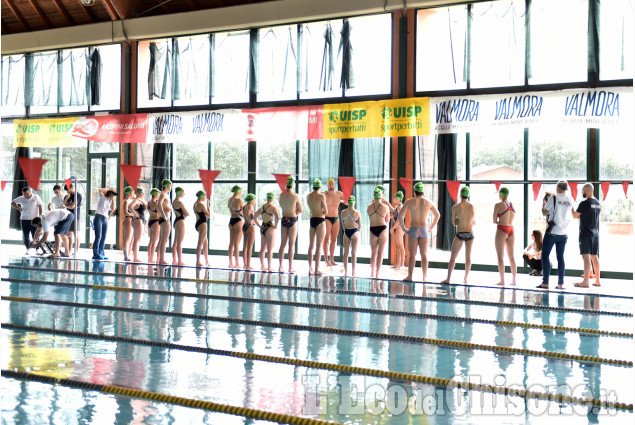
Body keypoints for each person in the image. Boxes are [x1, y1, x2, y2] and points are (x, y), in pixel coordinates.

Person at [398, 182, 440, 282]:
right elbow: (437, 215)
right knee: (424, 254)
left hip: (413, 229)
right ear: (423, 192)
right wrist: (431, 227)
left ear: (414, 191)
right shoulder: (427, 202)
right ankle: (424, 277)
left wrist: (404, 228)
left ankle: (410, 276)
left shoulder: (409, 201)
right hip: (423, 230)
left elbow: (400, 216)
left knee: (412, 254)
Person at [538, 180, 574, 290]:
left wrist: (543, 204)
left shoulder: (552, 199)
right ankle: (560, 284)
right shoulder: (570, 199)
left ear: (557, 187)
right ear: (566, 189)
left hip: (552, 232)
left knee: (545, 256)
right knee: (560, 258)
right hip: (564, 233)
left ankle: (545, 282)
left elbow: (545, 212)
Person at [442, 186, 475, 284]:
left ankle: (448, 279)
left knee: (453, 257)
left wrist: (458, 220)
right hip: (470, 233)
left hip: (460, 233)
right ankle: (466, 278)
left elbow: (454, 223)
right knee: (468, 257)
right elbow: (472, 221)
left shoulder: (455, 207)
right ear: (468, 195)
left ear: (460, 195)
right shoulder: (473, 206)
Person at [572, 183, 601, 288]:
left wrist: (571, 206)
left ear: (587, 191)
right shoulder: (598, 203)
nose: (582, 193)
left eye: (583, 191)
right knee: (594, 257)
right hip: (595, 233)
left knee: (586, 257)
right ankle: (597, 281)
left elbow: (575, 215)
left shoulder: (584, 203)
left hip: (586, 233)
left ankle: (585, 282)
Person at [278, 176, 303, 273]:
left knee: (282, 244)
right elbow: (301, 210)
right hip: (292, 220)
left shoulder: (281, 195)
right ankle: (290, 267)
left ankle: (280, 266)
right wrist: (296, 211)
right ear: (292, 185)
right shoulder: (296, 196)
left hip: (284, 219)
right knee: (291, 245)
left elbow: (281, 205)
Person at [493, 187, 517, 286]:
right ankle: (514, 280)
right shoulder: (512, 205)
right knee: (511, 256)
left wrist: (500, 221)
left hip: (502, 229)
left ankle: (502, 281)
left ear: (501, 195)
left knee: (500, 256)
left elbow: (494, 220)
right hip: (511, 229)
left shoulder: (498, 205)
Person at [367, 187, 391, 278]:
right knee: (380, 252)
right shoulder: (385, 207)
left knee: (373, 253)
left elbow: (370, 217)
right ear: (381, 196)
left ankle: (372, 272)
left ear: (374, 196)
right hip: (382, 229)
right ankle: (378, 273)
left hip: (372, 229)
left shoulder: (369, 207)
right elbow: (387, 220)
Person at [307, 179, 328, 275]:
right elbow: (326, 211)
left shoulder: (309, 196)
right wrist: (322, 212)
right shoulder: (321, 196)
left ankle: (310, 269)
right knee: (319, 246)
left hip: (312, 220)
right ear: (320, 187)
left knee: (311, 246)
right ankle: (316, 269)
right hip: (320, 220)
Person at [254, 192, 279, 271]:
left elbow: (254, 217)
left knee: (262, 249)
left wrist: (259, 226)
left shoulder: (262, 207)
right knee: (270, 249)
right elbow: (277, 217)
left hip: (263, 227)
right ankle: (269, 266)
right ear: (273, 199)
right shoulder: (273, 207)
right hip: (270, 227)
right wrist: (276, 225)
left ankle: (262, 266)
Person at [323, 178, 345, 266]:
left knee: (334, 239)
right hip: (327, 218)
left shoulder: (339, 194)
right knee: (326, 238)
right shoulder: (323, 194)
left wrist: (342, 201)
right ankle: (326, 260)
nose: (331, 185)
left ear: (334, 184)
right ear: (327, 185)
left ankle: (331, 259)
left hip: (336, 218)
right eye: (329, 184)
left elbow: (347, 202)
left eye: (332, 184)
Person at [92, 188, 117, 260]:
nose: (113, 195)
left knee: (103, 237)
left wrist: (113, 199)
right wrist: (110, 189)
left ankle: (101, 253)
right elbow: (100, 189)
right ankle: (96, 253)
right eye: (113, 193)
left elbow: (113, 208)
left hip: (105, 218)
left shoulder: (110, 200)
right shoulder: (103, 197)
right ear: (110, 192)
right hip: (98, 217)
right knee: (98, 236)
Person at [341, 195, 361, 276]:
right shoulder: (357, 212)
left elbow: (343, 224)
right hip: (355, 232)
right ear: (354, 202)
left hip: (346, 232)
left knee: (346, 253)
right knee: (354, 253)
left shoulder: (343, 212)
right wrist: (358, 233)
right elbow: (360, 225)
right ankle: (353, 272)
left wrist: (345, 231)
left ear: (347, 202)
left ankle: (346, 272)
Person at [156, 179, 173, 265]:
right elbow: (158, 205)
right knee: (164, 240)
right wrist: (164, 216)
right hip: (164, 219)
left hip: (163, 219)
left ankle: (159, 259)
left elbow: (161, 205)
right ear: (166, 186)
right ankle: (161, 259)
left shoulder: (165, 194)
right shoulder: (163, 194)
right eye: (170, 185)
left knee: (162, 240)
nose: (171, 187)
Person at [63, 183, 83, 255]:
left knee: (76, 233)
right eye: (66, 191)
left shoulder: (78, 195)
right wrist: (67, 200)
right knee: (69, 233)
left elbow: (72, 206)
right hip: (68, 216)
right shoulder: (67, 196)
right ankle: (70, 250)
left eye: (68, 190)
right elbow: (63, 205)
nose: (67, 192)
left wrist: (67, 205)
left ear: (72, 188)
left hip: (75, 216)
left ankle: (76, 251)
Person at [228, 185, 244, 268]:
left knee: (231, 243)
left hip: (231, 221)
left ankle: (230, 263)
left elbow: (230, 209)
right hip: (238, 221)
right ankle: (237, 263)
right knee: (237, 243)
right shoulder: (239, 200)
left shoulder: (230, 200)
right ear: (239, 192)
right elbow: (243, 211)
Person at [193, 190, 211, 267]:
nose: (205, 198)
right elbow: (208, 214)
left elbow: (202, 215)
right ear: (202, 196)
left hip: (198, 223)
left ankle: (207, 261)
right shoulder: (201, 205)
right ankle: (198, 262)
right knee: (200, 243)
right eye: (205, 196)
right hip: (202, 225)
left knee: (205, 243)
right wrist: (207, 205)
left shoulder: (195, 204)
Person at [172, 187, 189, 266]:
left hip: (176, 221)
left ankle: (174, 260)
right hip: (181, 222)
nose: (184, 194)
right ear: (180, 192)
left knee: (175, 242)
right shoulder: (179, 202)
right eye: (183, 192)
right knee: (179, 243)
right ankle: (180, 261)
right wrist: (184, 215)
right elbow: (187, 213)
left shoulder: (174, 202)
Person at [130, 187, 147, 263]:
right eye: (142, 192)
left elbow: (147, 206)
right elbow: (129, 207)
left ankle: (136, 256)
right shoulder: (136, 200)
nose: (143, 194)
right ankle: (135, 257)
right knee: (137, 239)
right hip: (137, 220)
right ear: (139, 193)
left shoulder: (140, 201)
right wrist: (136, 215)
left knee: (138, 239)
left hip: (140, 220)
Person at [390, 191, 405, 270]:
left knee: (400, 246)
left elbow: (399, 219)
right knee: (397, 246)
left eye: (394, 198)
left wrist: (393, 228)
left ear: (399, 199)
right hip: (396, 227)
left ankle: (402, 264)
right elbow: (393, 216)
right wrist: (388, 217)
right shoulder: (396, 207)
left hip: (399, 227)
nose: (393, 200)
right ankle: (397, 264)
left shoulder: (400, 207)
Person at [121, 186, 137, 262]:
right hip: (127, 219)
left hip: (131, 220)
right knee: (127, 239)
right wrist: (134, 215)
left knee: (131, 239)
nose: (133, 193)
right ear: (129, 192)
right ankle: (125, 256)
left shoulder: (131, 200)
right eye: (132, 191)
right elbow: (125, 212)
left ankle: (128, 254)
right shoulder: (126, 201)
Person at [242, 193, 257, 270]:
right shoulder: (250, 206)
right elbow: (248, 214)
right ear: (253, 200)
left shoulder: (244, 206)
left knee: (245, 246)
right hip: (250, 227)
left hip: (244, 226)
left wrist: (247, 222)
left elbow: (244, 215)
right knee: (250, 247)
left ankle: (244, 264)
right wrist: (250, 223)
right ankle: (248, 265)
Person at [147, 188, 161, 264]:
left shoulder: (148, 203)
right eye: (158, 194)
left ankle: (149, 258)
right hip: (156, 222)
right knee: (155, 242)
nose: (158, 195)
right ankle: (152, 259)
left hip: (150, 222)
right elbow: (159, 213)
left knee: (151, 241)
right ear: (155, 194)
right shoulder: (156, 203)